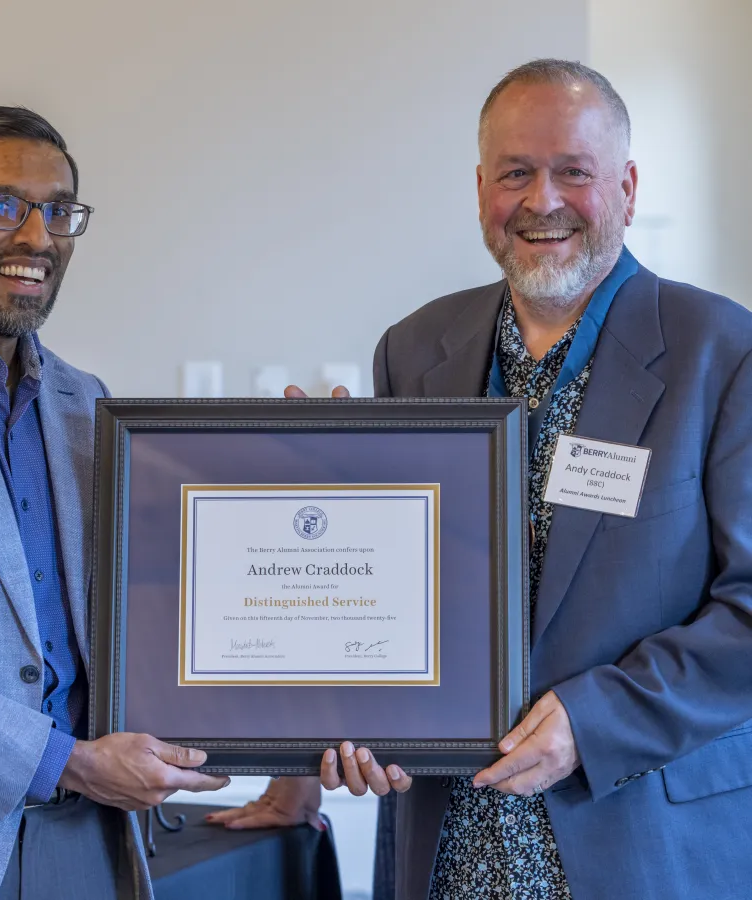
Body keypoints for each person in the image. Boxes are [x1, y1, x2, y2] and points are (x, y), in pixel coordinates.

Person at [210, 59, 752, 899]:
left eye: (573, 171)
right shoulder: (415, 347)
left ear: (628, 187)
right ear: (480, 190)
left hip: (643, 844)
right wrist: (322, 491)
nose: (542, 200)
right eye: (515, 173)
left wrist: (594, 720)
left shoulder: (722, 351)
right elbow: (388, 599)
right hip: (448, 845)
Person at [0, 106, 229, 900]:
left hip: (89, 842)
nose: (37, 236)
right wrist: (66, 760)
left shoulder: (84, 403)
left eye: (59, 210)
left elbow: (148, 609)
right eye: (0, 205)